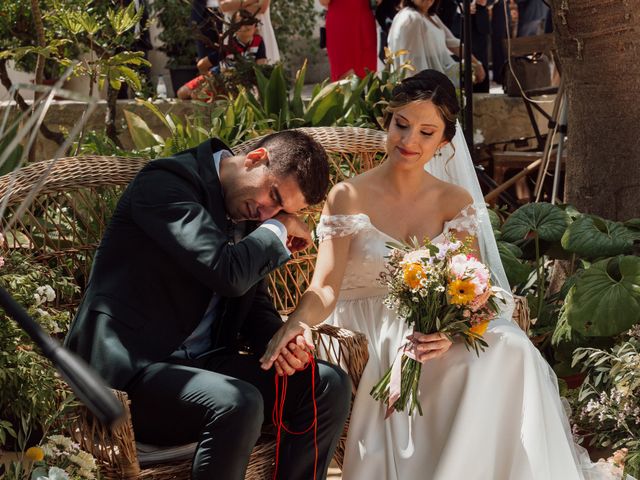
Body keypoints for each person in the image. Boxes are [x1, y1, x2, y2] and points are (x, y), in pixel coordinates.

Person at [261, 70, 631, 479]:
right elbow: (324, 287)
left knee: (509, 349)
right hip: (371, 332)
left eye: (425, 132)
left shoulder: (454, 200)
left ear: (444, 142)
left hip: (437, 327)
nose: (409, 141)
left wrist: (451, 332)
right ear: (388, 120)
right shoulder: (348, 195)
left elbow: (471, 285)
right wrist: (293, 324)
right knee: (464, 367)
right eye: (401, 125)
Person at [64, 130, 352, 480]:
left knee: (326, 384)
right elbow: (225, 271)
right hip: (131, 373)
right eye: (273, 196)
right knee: (237, 402)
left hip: (205, 367)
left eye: (283, 210)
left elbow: (251, 305)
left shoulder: (251, 214)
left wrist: (283, 344)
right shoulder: (167, 183)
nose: (269, 213)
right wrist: (277, 228)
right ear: (256, 158)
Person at [388, 0, 485, 87]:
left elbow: (453, 43)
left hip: (436, 79)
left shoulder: (431, 16)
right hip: (423, 86)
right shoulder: (411, 18)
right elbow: (409, 65)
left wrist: (476, 64)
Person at [177, 10, 267, 100]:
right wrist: (211, 81)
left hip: (243, 82)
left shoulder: (258, 42)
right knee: (183, 93)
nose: (246, 26)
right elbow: (202, 64)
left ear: (255, 25)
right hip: (220, 76)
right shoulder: (229, 46)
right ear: (234, 29)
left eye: (249, 22)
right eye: (240, 24)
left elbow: (260, 66)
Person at [320, 0, 378, 81]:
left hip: (362, 25)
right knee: (344, 75)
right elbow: (324, 1)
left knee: (366, 75)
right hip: (341, 26)